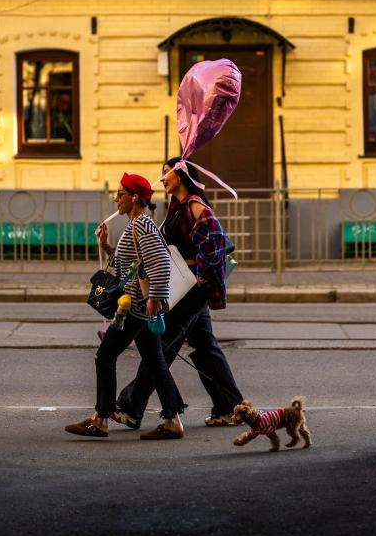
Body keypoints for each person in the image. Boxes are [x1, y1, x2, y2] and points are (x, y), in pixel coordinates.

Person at [111, 157, 245, 429]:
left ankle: (131, 406)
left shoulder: (195, 205)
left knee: (159, 348)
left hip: (190, 291)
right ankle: (230, 407)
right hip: (186, 289)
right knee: (205, 348)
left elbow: (217, 243)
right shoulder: (176, 208)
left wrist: (196, 272)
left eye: (166, 173)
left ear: (180, 176)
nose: (162, 178)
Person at [64, 172, 187, 440]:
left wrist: (154, 298)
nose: (115, 200)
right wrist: (105, 245)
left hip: (135, 309)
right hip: (139, 308)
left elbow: (161, 264)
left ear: (134, 198)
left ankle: (100, 419)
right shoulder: (134, 225)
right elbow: (125, 267)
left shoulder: (142, 225)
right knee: (155, 363)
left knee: (105, 357)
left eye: (119, 194)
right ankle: (172, 420)